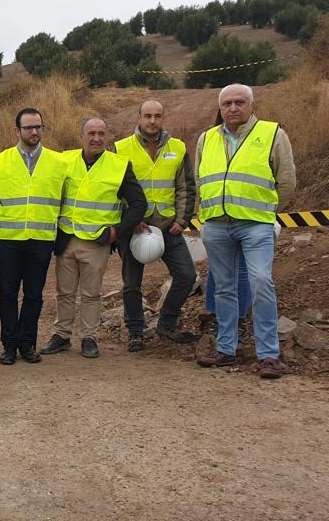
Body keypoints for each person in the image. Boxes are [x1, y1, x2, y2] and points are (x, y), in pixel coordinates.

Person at [195, 83, 296, 378]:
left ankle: (268, 355)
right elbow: (200, 177)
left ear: (251, 105)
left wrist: (267, 210)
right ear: (220, 107)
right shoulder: (206, 138)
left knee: (262, 282)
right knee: (224, 287)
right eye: (227, 103)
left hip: (255, 225)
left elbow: (286, 181)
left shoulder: (272, 134)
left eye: (240, 102)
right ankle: (227, 349)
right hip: (216, 225)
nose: (233, 108)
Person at [40, 117, 146, 359]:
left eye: (101, 134)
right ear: (82, 135)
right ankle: (61, 335)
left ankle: (89, 337)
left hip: (98, 241)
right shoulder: (64, 160)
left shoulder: (118, 165)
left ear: (106, 137)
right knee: (64, 291)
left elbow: (139, 204)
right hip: (66, 239)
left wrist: (117, 231)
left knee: (91, 293)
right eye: (91, 133)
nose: (96, 138)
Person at [114, 100, 198, 352]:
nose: (152, 121)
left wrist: (182, 220)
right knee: (131, 284)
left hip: (168, 225)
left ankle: (167, 323)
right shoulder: (120, 149)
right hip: (135, 227)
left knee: (187, 276)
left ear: (163, 118)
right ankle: (136, 332)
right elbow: (113, 191)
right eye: (147, 116)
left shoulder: (178, 148)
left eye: (158, 116)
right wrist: (130, 220)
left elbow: (186, 186)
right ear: (138, 117)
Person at [0, 108, 68, 365]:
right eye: (28, 128)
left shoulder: (58, 162)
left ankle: (27, 343)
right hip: (9, 239)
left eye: (38, 127)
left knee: (34, 295)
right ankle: (9, 345)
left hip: (41, 239)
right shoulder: (1, 160)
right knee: (8, 294)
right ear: (17, 131)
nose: (34, 132)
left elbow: (63, 199)